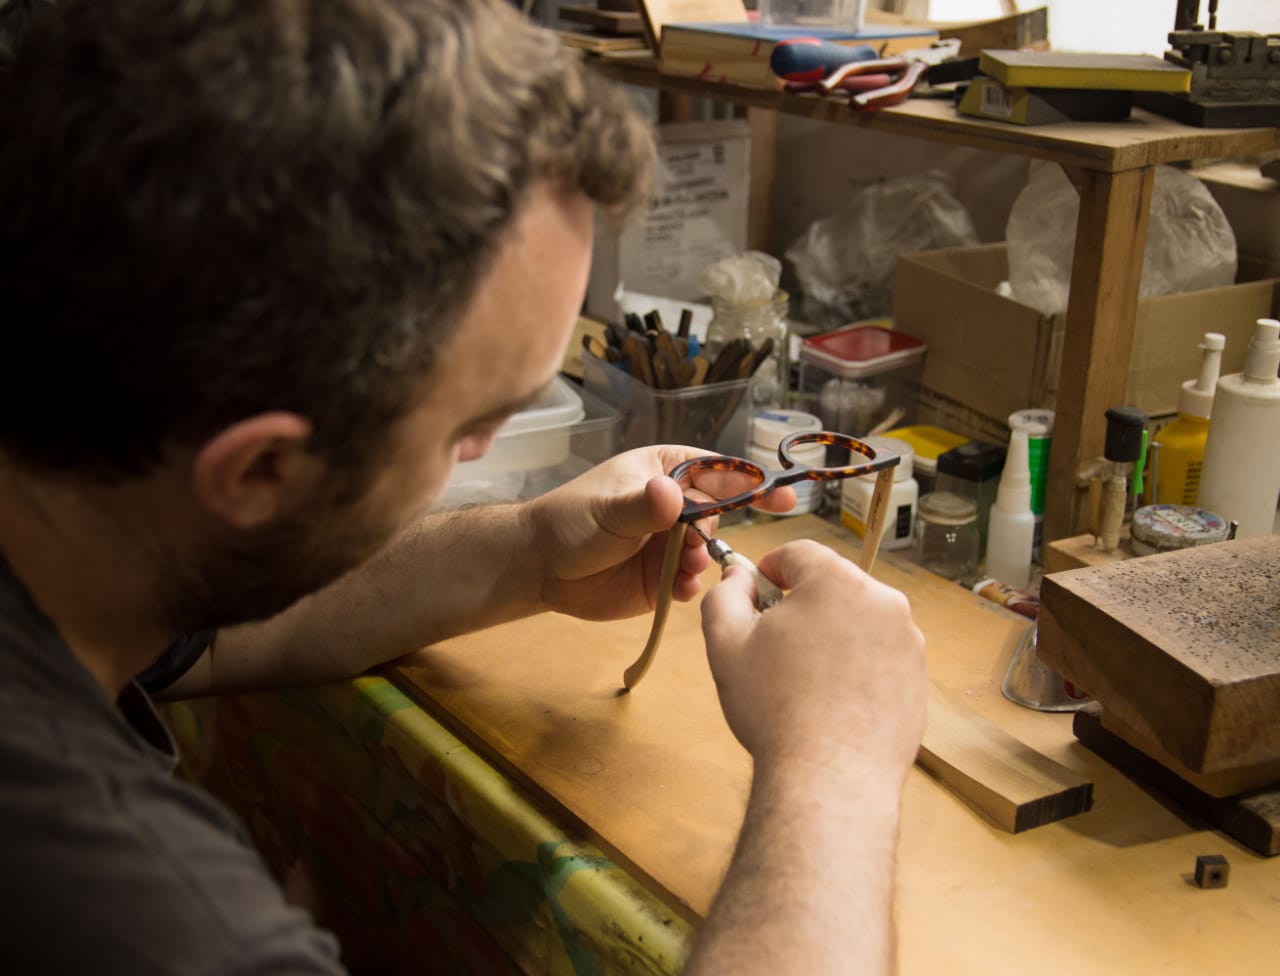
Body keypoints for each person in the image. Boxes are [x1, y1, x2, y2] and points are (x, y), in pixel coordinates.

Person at [0, 0, 927, 973]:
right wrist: (834, 768)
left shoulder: (75, 533)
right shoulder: (154, 922)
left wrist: (529, 553)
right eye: (469, 427)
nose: (484, 448)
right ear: (260, 469)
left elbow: (194, 627)